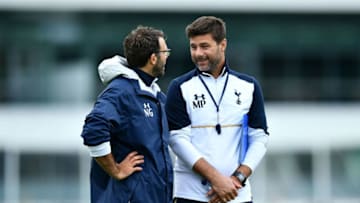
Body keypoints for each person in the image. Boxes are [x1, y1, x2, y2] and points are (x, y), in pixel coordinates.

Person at [165, 16, 269, 203]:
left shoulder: (249, 86)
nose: (198, 53)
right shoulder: (179, 87)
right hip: (190, 195)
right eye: (193, 47)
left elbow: (259, 137)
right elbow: (177, 140)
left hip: (236, 194)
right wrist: (217, 179)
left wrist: (238, 178)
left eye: (204, 46)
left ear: (223, 45)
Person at [80, 25, 173, 203]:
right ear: (153, 58)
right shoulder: (121, 92)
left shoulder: (157, 95)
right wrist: (116, 169)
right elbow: (94, 129)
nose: (167, 57)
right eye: (165, 52)